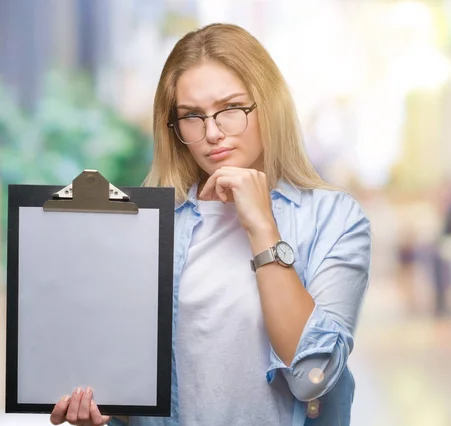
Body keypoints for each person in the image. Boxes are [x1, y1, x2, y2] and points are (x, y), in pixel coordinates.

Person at [50, 23, 371, 426]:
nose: (213, 133)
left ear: (268, 104)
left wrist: (261, 228)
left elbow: (311, 377)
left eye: (231, 108)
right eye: (192, 117)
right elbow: (130, 395)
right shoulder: (147, 226)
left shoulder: (334, 218)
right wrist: (102, 412)